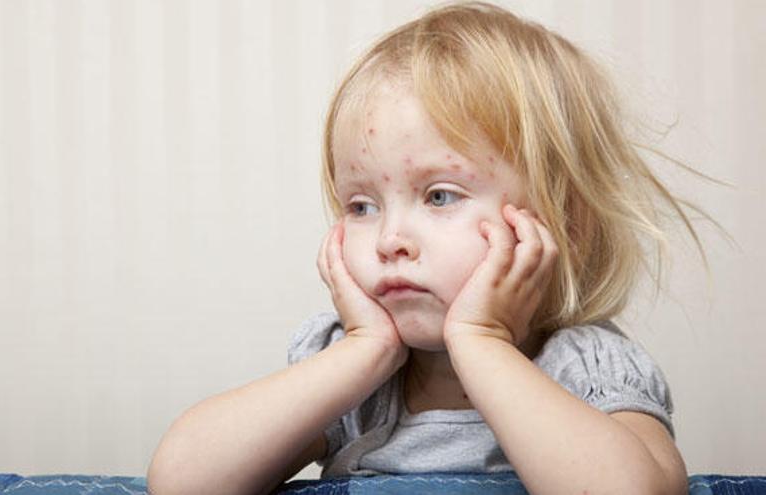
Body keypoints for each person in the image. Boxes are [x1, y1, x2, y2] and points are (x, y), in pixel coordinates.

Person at [148, 2, 722, 494]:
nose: (391, 240)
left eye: (440, 196)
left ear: (564, 224)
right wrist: (363, 350)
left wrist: (482, 342)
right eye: (361, 206)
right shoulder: (356, 380)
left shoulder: (582, 366)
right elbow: (181, 482)